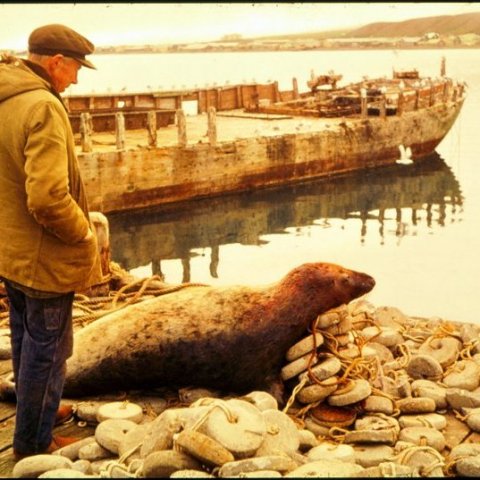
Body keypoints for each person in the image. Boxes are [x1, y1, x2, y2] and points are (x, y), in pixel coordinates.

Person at [0, 24, 103, 459]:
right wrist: (83, 233)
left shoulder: (6, 96)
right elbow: (47, 197)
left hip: (11, 250)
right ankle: (33, 444)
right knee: (49, 349)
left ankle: (36, 411)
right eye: (75, 68)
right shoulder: (43, 105)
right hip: (44, 256)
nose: (76, 78)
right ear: (56, 61)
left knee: (26, 340)